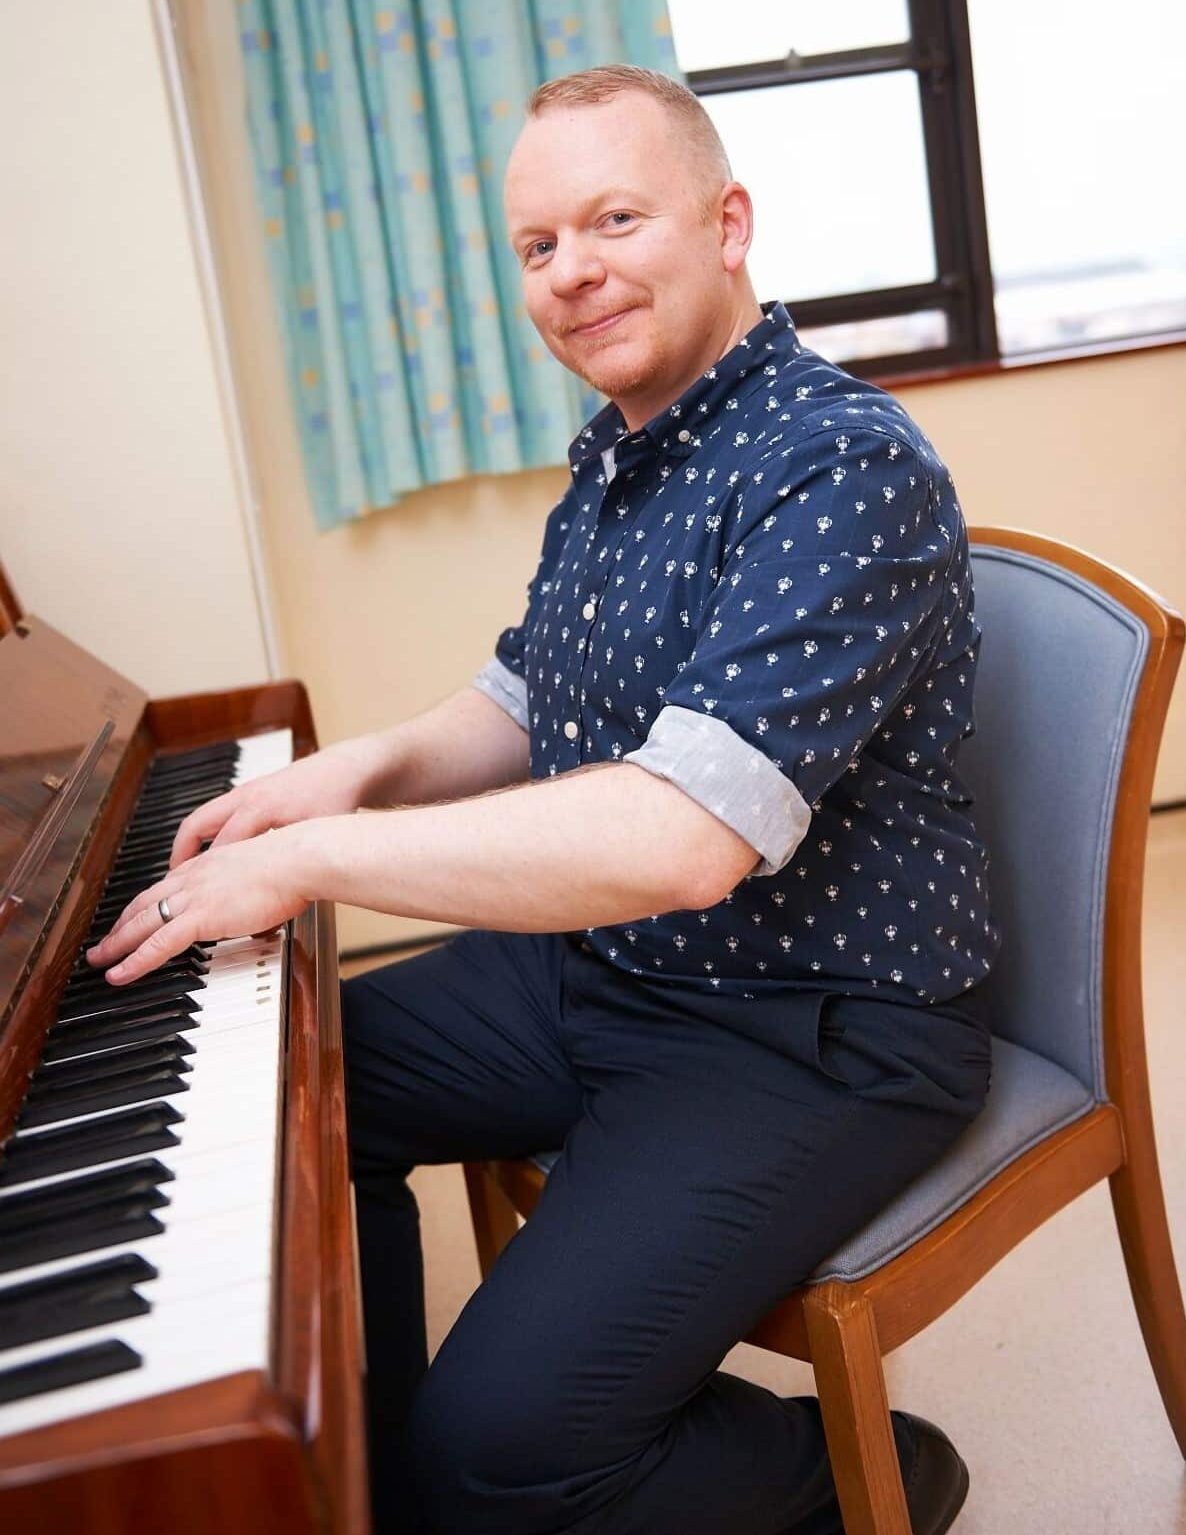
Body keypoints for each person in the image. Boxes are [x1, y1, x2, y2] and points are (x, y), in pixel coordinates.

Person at [89, 65, 999, 1535]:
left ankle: (877, 1475)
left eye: (614, 218)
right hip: (617, 968)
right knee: (293, 1116)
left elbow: (680, 838)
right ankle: (362, 1484)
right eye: (536, 246)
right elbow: (528, 694)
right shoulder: (628, 444)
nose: (572, 272)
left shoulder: (837, 463)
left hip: (805, 1026)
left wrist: (324, 854)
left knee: (494, 1457)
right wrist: (348, 771)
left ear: (727, 223)